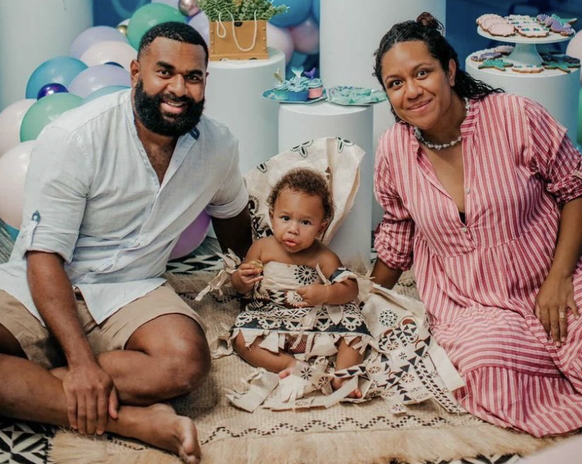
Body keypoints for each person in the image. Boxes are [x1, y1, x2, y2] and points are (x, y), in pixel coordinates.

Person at [0, 21, 252, 463]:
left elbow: (232, 214)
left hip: (132, 287)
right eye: (164, 72)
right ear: (136, 71)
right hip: (43, 280)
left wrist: (250, 270)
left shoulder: (218, 146)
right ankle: (134, 421)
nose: (178, 88)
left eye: (192, 77)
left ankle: (30, 387)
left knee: (185, 362)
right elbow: (44, 258)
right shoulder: (76, 137)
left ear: (205, 82)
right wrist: (80, 367)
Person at [371, 12, 582, 437]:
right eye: (396, 84)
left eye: (422, 73)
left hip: (550, 274)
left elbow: (574, 190)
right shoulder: (394, 150)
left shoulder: (515, 116)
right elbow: (397, 233)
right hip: (470, 302)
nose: (411, 92)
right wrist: (366, 299)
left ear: (450, 70)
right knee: (486, 366)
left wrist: (559, 277)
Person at [230, 168, 371, 396]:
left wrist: (325, 293)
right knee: (241, 338)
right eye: (285, 218)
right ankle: (288, 365)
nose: (293, 229)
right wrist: (241, 279)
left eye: (305, 222)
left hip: (312, 320)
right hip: (270, 315)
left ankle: (344, 374)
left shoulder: (323, 256)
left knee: (355, 328)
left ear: (321, 227)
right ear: (272, 215)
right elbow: (241, 289)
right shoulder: (262, 248)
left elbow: (351, 289)